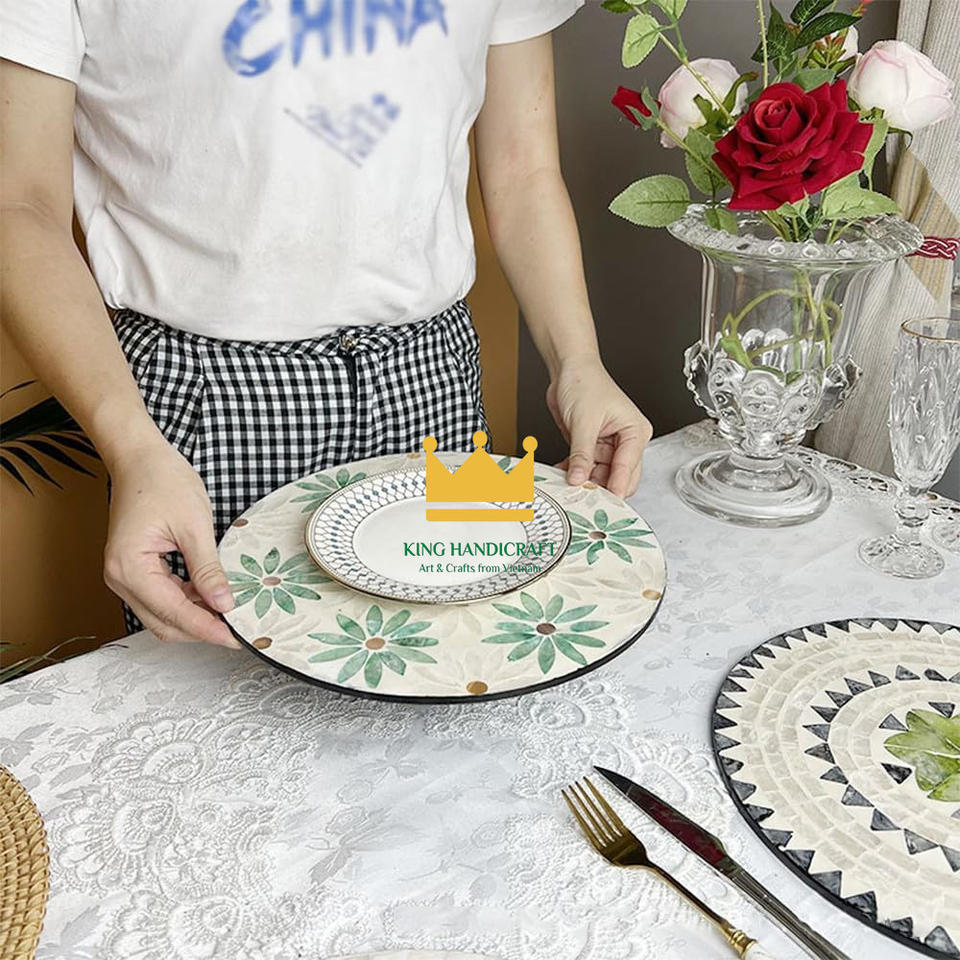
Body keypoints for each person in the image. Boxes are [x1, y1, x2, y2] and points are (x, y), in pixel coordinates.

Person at [0, 0, 653, 649]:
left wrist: (578, 362)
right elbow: (20, 205)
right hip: (204, 404)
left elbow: (523, 168)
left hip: (431, 381)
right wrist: (133, 447)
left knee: (453, 667)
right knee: (224, 696)